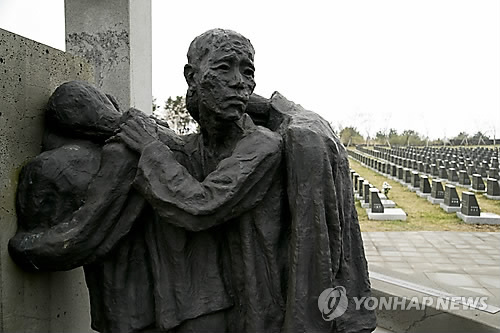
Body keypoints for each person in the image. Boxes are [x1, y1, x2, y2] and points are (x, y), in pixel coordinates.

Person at [10, 29, 376, 333]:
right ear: (192, 77)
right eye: (225, 68)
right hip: (187, 304)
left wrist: (150, 149)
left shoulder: (261, 145)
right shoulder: (191, 145)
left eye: (248, 72)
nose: (239, 82)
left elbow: (201, 206)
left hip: (253, 305)